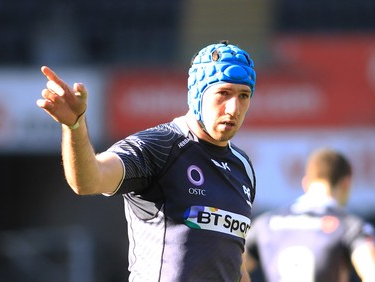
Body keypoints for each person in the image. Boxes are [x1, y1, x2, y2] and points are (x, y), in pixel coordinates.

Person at [36, 40, 257, 282]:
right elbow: (88, 181)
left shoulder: (242, 166)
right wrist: (75, 126)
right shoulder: (160, 146)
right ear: (198, 93)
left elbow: (234, 262)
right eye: (223, 93)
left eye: (243, 95)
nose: (234, 108)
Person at [246, 148, 375, 282]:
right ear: (346, 183)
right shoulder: (350, 226)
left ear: (306, 183)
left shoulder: (264, 224)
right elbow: (371, 274)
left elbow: (231, 266)